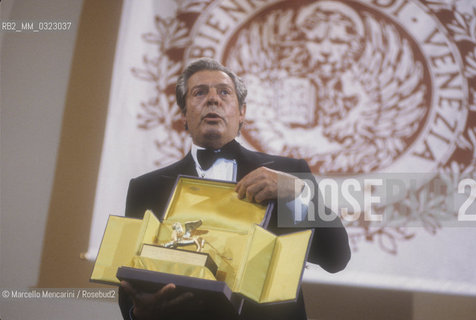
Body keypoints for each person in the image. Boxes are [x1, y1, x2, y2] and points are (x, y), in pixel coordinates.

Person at [118, 58, 350, 320]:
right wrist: (138, 313)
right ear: (184, 113)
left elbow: (336, 258)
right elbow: (129, 284)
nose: (213, 99)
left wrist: (299, 193)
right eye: (200, 92)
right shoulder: (146, 188)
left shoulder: (289, 173)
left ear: (242, 112)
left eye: (224, 92)